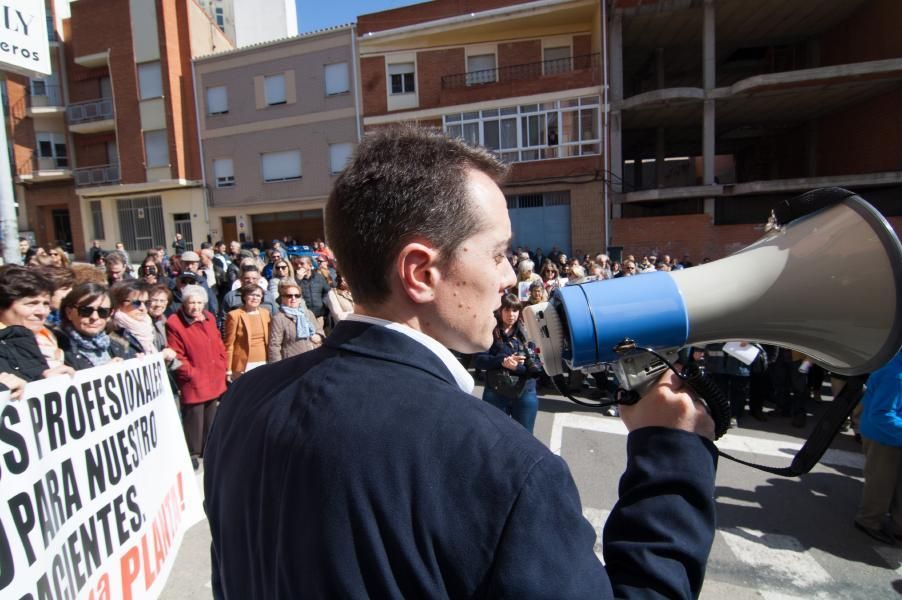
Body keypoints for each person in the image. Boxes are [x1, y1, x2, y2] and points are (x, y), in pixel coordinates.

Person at [205, 127, 716, 598]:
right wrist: (672, 455)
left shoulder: (243, 403)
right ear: (420, 272)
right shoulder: (504, 466)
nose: (511, 278)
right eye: (498, 254)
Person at [166, 284, 227, 467]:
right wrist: (191, 374)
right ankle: (193, 453)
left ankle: (209, 449)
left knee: (211, 416)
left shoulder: (208, 317)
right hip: (194, 378)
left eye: (199, 302)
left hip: (214, 374)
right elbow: (177, 354)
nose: (196, 307)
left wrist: (223, 364)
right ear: (184, 303)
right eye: (192, 302)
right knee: (194, 418)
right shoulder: (175, 323)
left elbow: (217, 341)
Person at [854, 350, 902, 545]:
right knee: (880, 484)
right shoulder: (894, 374)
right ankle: (868, 521)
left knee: (897, 484)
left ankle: (899, 526)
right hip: (882, 438)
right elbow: (881, 415)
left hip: (893, 436)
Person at [474, 293, 541, 433]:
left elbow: (537, 368)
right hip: (496, 391)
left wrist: (518, 368)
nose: (511, 314)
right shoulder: (489, 331)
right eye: (507, 310)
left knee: (525, 438)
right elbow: (479, 360)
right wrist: (502, 361)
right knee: (493, 435)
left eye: (515, 310)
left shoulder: (528, 332)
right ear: (500, 310)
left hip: (524, 392)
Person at [0, 266, 73, 390]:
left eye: (46, 304)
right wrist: (42, 384)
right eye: (31, 304)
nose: (42, 312)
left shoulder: (58, 338)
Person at [56, 283, 137, 369]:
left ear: (110, 314)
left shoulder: (118, 346)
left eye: (102, 312)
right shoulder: (56, 350)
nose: (94, 317)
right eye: (86, 311)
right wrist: (103, 371)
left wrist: (137, 362)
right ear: (69, 312)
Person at [223, 284, 272, 381]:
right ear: (244, 297)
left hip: (264, 361)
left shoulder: (266, 313)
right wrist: (228, 369)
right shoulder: (234, 315)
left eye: (258, 295)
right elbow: (229, 344)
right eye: (251, 295)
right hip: (243, 365)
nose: (255, 298)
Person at [267, 281, 323, 363]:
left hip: (314, 358)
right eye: (289, 296)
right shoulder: (279, 318)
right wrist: (277, 367)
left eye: (297, 296)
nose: (293, 298)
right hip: (293, 362)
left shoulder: (308, 313)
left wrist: (319, 336)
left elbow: (319, 330)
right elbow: (274, 346)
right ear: (283, 298)